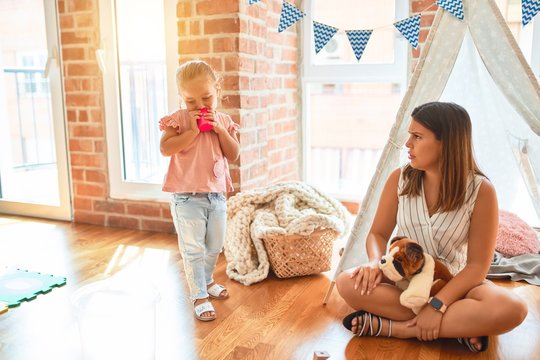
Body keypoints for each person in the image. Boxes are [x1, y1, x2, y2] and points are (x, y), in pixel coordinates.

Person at [336, 101, 528, 352]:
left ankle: (396, 329)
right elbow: (378, 233)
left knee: (513, 309)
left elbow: (477, 267)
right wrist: (374, 262)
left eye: (417, 136)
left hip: (457, 286)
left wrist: (437, 305)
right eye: (409, 135)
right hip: (405, 281)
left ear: (446, 143)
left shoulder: (482, 191)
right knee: (346, 282)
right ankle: (461, 327)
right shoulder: (400, 179)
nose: (408, 144)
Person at [159, 60, 240, 322]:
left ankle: (206, 281)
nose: (201, 106)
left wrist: (219, 129)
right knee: (193, 249)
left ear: (217, 90)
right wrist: (193, 130)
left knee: (215, 246)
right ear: (182, 98)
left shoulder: (224, 120)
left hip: (216, 197)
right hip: (186, 198)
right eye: (192, 101)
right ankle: (199, 295)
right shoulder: (179, 120)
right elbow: (166, 149)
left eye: (207, 97)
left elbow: (234, 154)